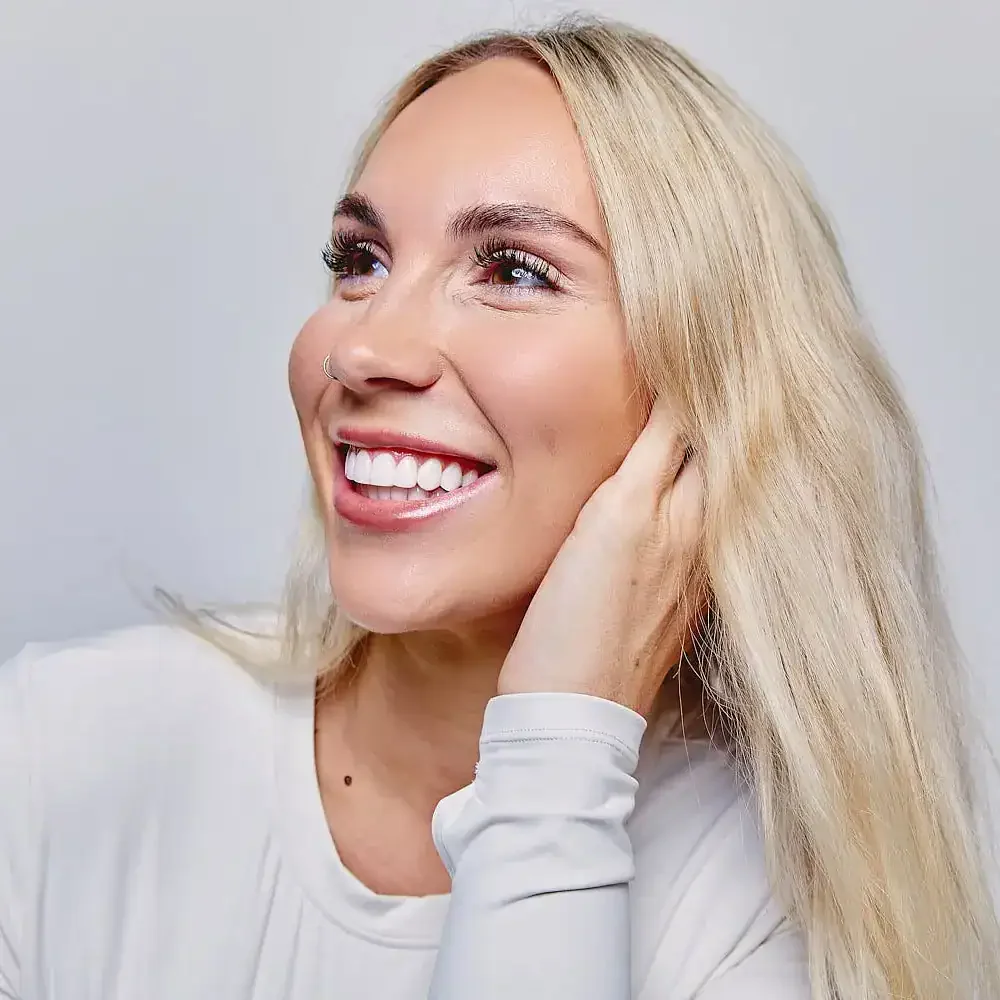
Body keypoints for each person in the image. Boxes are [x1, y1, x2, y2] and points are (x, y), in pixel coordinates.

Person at [1, 13, 997, 1000]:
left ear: (698, 402)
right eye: (360, 259)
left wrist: (556, 758)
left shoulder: (766, 912)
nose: (361, 349)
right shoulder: (57, 746)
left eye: (512, 269)